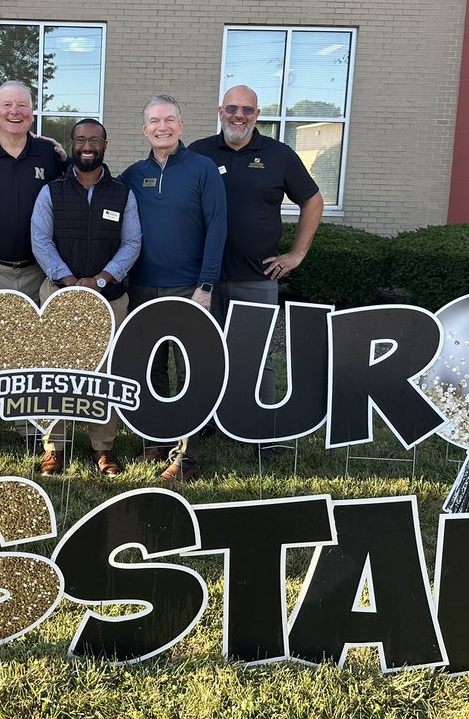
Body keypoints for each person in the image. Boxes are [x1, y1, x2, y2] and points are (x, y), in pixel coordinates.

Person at [189, 84, 324, 419]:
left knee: (259, 354)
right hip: (205, 278)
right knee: (204, 351)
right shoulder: (198, 152)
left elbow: (313, 200)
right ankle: (206, 420)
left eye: (247, 110)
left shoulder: (279, 155)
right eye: (232, 108)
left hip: (256, 276)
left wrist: (297, 255)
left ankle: (262, 426)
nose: (239, 115)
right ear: (220, 112)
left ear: (257, 115)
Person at [120, 94, 226, 482]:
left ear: (181, 126)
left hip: (189, 288)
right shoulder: (133, 174)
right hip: (143, 287)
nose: (161, 127)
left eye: (169, 120)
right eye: (154, 121)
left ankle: (187, 457)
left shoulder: (202, 169)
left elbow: (218, 228)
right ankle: (157, 438)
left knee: (189, 372)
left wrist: (206, 284)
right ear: (144, 128)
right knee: (152, 369)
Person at [29, 119, 142, 476]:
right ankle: (54, 449)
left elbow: (132, 242)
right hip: (60, 293)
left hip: (110, 298)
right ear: (72, 145)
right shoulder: (51, 191)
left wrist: (103, 279)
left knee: (103, 373)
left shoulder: (123, 194)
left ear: (105, 145)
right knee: (55, 373)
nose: (87, 146)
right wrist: (70, 280)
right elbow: (41, 240)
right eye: (80, 140)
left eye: (94, 140)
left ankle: (102, 449)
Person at [0, 80, 64, 448]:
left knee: (33, 348)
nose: (15, 111)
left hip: (38, 268)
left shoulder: (50, 156)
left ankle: (29, 424)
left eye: (22, 105)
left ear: (33, 112)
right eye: (7, 105)